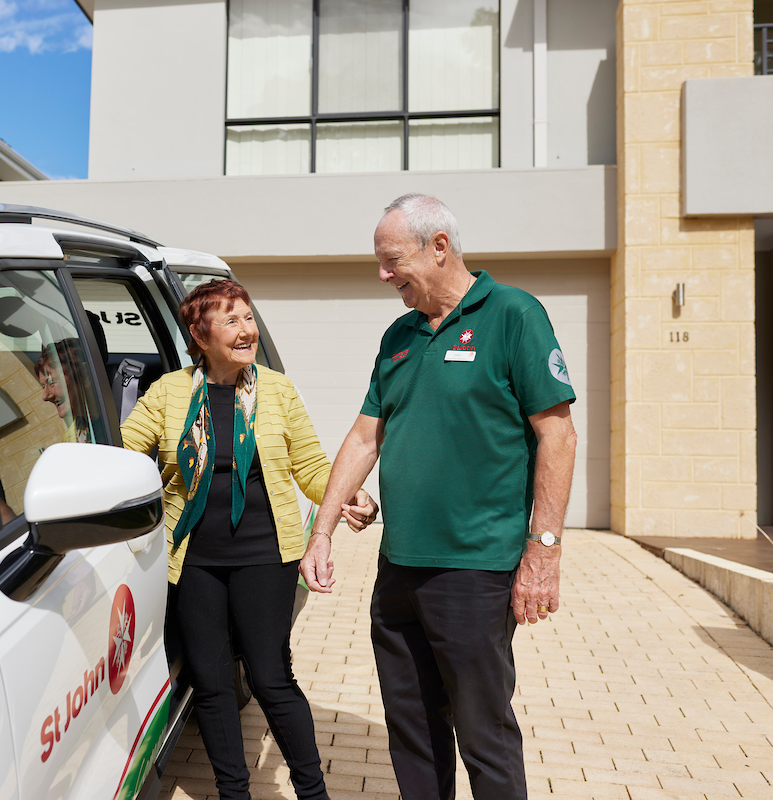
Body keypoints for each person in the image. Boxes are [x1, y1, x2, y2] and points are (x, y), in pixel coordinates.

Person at [300, 194, 578, 800]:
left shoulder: (512, 314)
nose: (383, 275)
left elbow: (557, 435)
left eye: (392, 260)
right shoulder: (399, 335)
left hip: (474, 569)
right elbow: (365, 435)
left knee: (483, 732)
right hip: (398, 568)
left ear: (440, 247)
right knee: (414, 732)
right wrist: (321, 531)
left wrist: (544, 550)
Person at [121, 278, 376, 800]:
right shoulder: (168, 392)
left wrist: (349, 493)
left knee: (270, 677)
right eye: (231, 320)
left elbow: (310, 466)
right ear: (200, 335)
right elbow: (123, 456)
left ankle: (313, 792)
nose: (247, 330)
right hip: (193, 560)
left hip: (265, 554)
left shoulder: (277, 391)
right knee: (211, 684)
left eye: (249, 317)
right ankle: (233, 792)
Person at [34, 338, 96, 443]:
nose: (45, 396)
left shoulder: (125, 420)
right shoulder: (69, 441)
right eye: (43, 386)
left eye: (52, 382)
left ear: (84, 375)